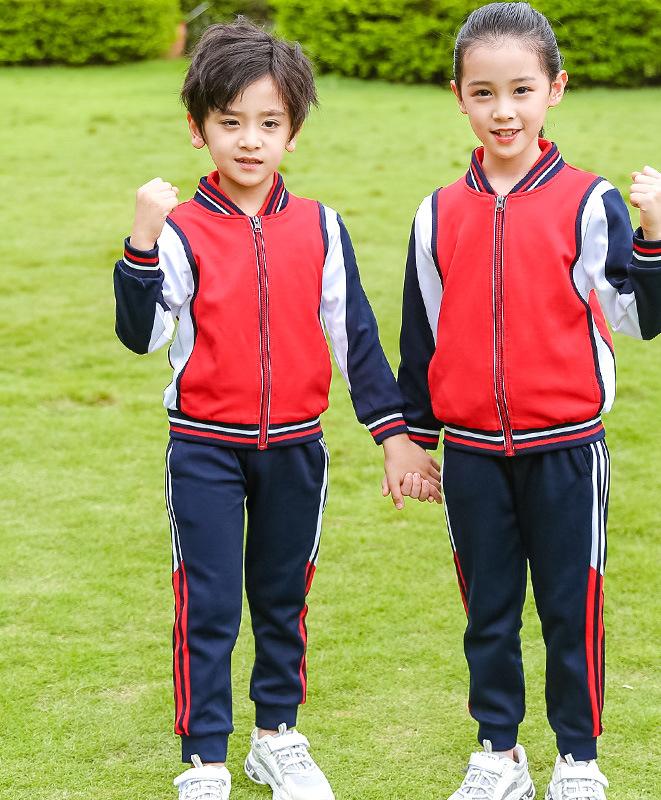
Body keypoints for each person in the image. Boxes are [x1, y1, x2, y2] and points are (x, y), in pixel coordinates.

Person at [113, 19, 441, 800]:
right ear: (199, 130)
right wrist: (142, 241)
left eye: (269, 123)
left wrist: (394, 437)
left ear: (292, 131)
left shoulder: (320, 226)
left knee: (283, 595)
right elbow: (142, 333)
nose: (249, 141)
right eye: (230, 123)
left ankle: (277, 737)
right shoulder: (183, 231)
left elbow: (355, 336)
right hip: (203, 450)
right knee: (211, 599)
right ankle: (205, 758)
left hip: (296, 448)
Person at [397, 4, 661, 799]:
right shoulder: (436, 213)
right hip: (474, 455)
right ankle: (499, 754)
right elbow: (422, 331)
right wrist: (413, 437)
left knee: (569, 607)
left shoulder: (591, 202)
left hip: (568, 448)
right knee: (487, 611)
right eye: (483, 93)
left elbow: (641, 316)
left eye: (521, 90)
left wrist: (654, 232)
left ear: (555, 89)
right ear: (459, 96)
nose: (504, 111)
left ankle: (577, 761)